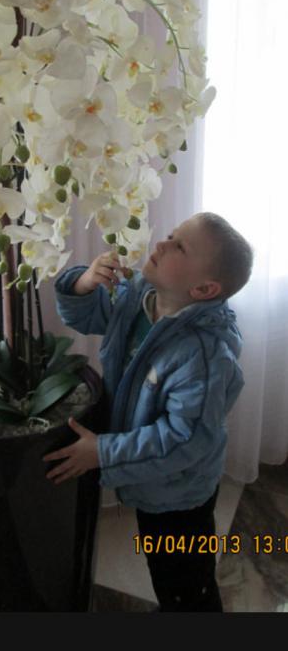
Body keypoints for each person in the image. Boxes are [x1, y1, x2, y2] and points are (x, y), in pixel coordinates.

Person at [43, 212, 253, 612]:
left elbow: (182, 440)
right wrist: (85, 283)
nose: (161, 243)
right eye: (171, 234)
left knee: (185, 584)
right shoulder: (140, 296)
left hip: (180, 494)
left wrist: (103, 452)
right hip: (151, 478)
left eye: (179, 247)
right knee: (165, 571)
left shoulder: (203, 356)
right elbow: (85, 315)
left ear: (203, 288)